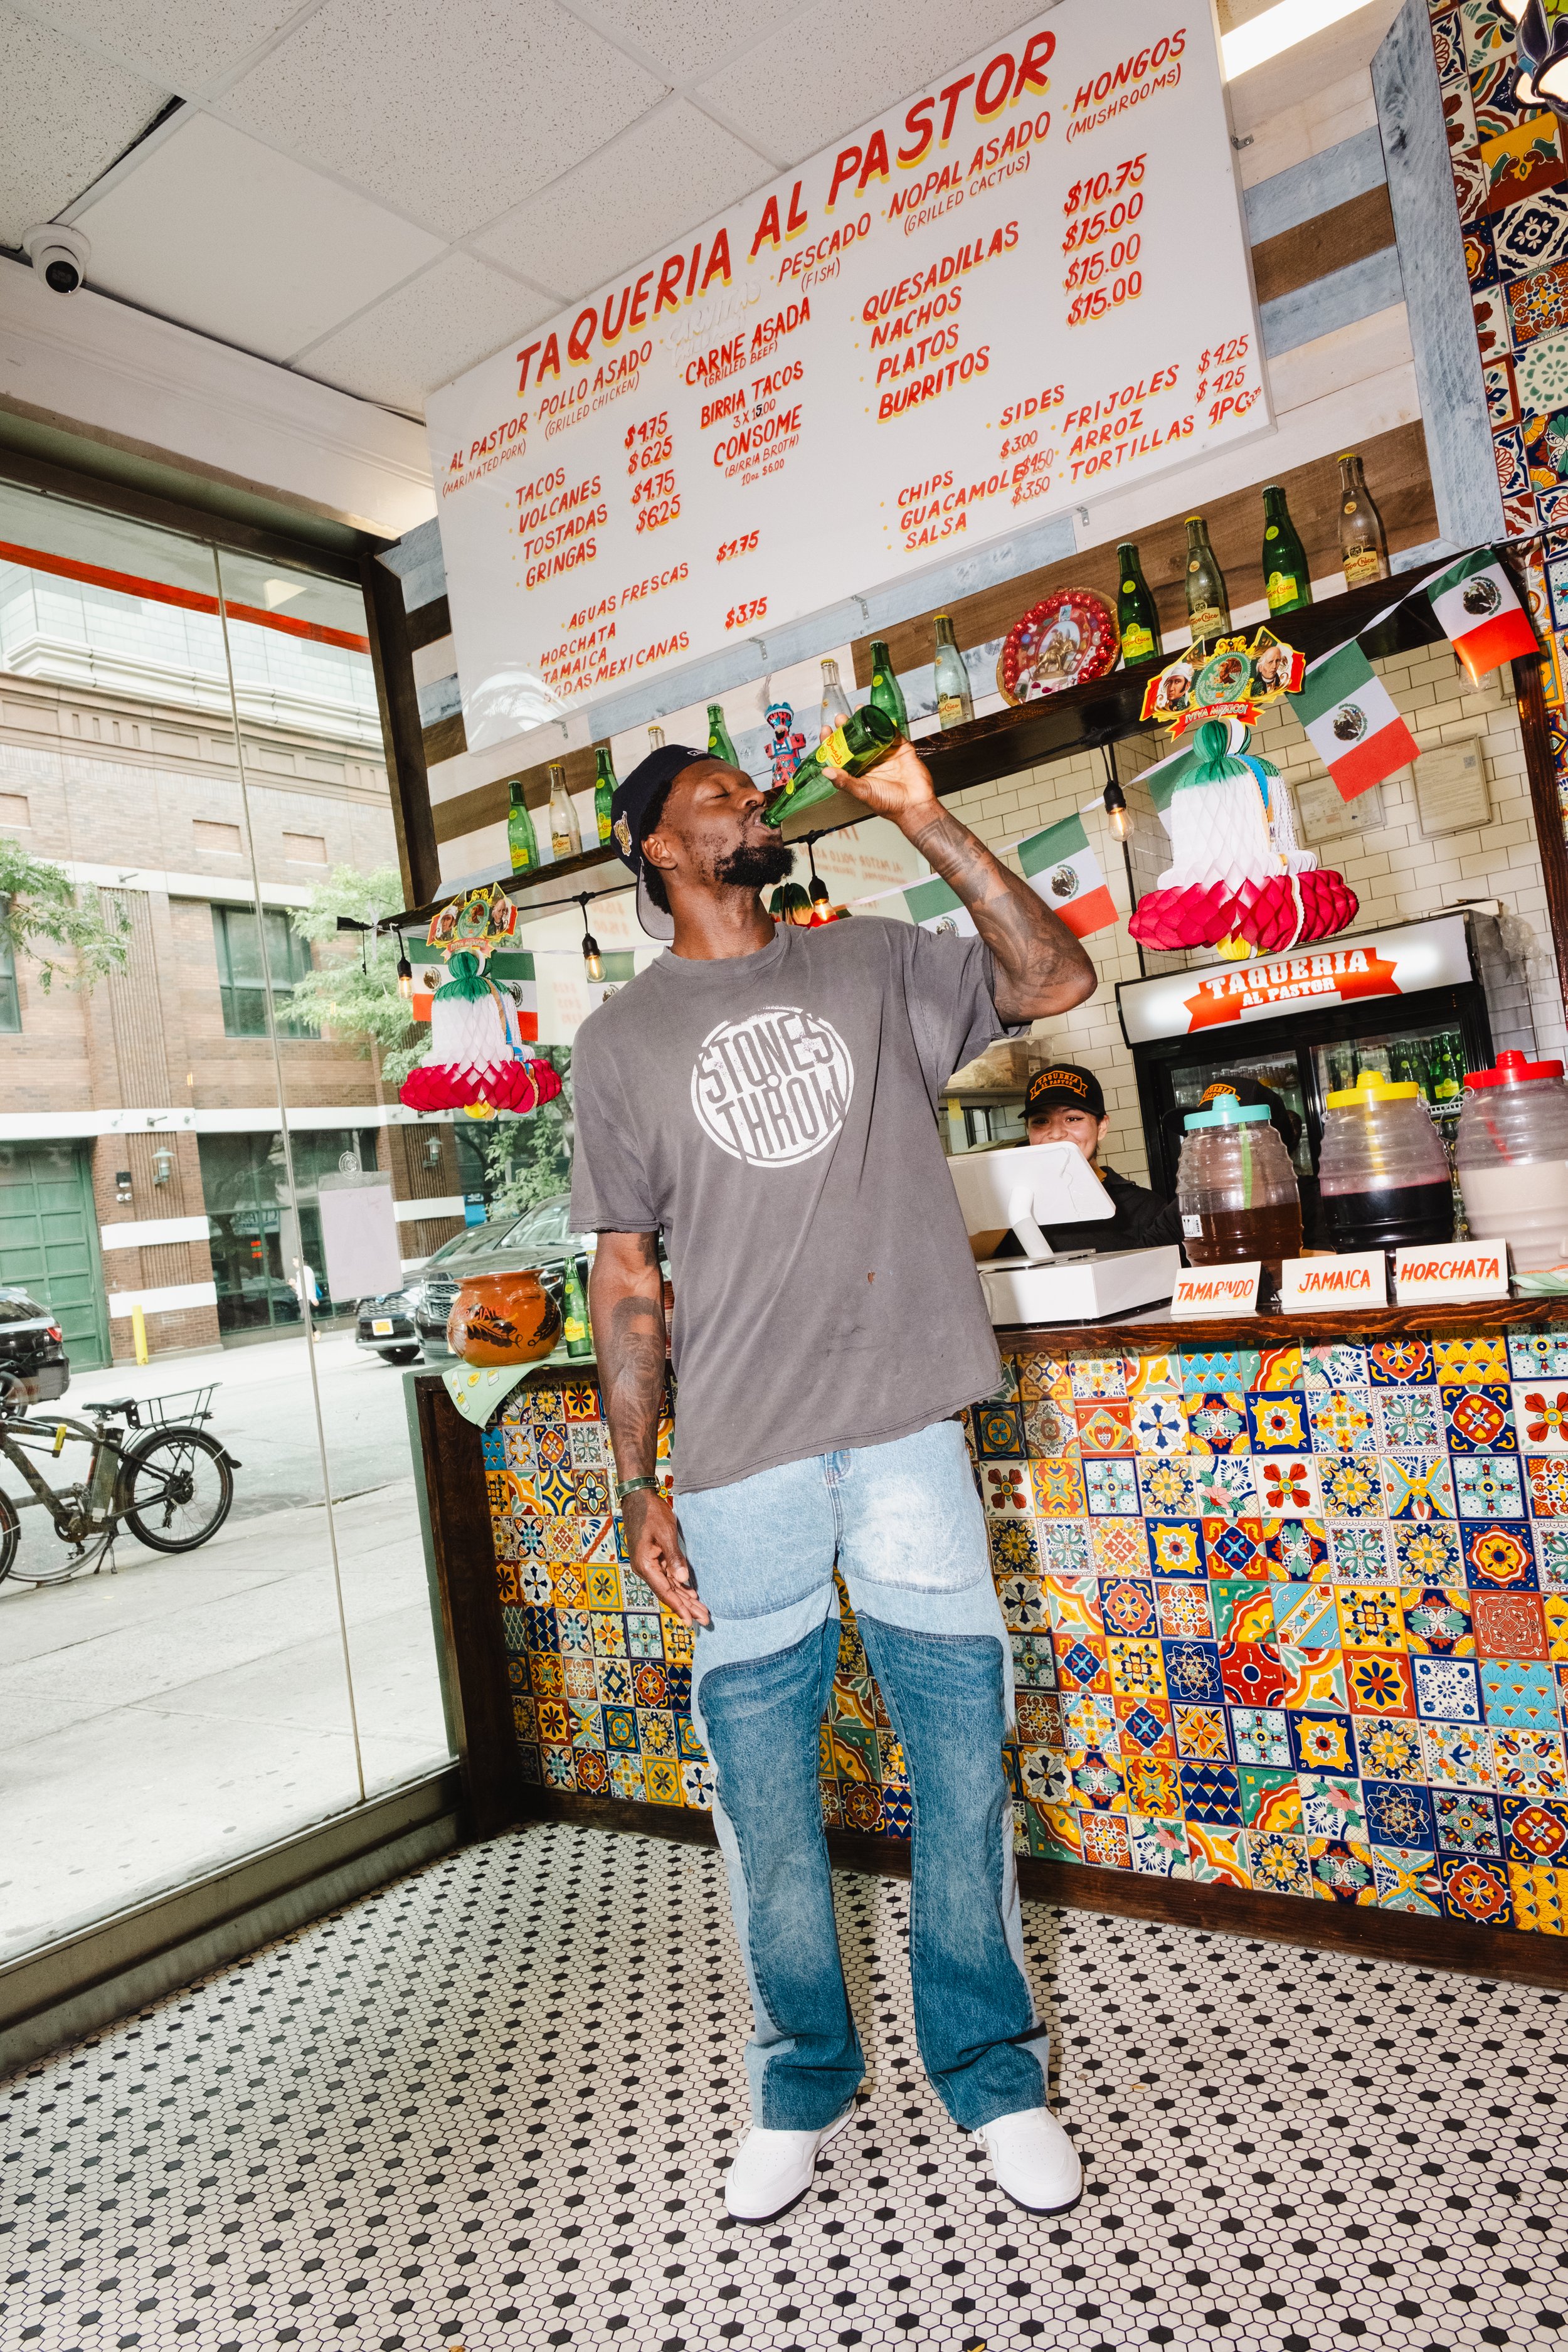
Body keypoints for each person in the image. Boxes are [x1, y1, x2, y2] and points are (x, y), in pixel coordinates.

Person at [575, 732, 1097, 2227]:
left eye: (751, 789)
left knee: (963, 1764)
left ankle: (992, 2075)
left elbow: (1053, 979)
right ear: (656, 846)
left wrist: (925, 817)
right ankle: (798, 2082)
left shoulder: (873, 960)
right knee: (763, 1799)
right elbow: (627, 1273)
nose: (751, 802)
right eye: (716, 796)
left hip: (907, 1430)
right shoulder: (618, 1041)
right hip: (739, 1459)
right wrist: (636, 1479)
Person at [1007, 1062, 1183, 1256]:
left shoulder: (1144, 1208)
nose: (1056, 1134)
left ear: (1102, 1127)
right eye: (1041, 1121)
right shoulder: (1011, 1208)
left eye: (1072, 1119)